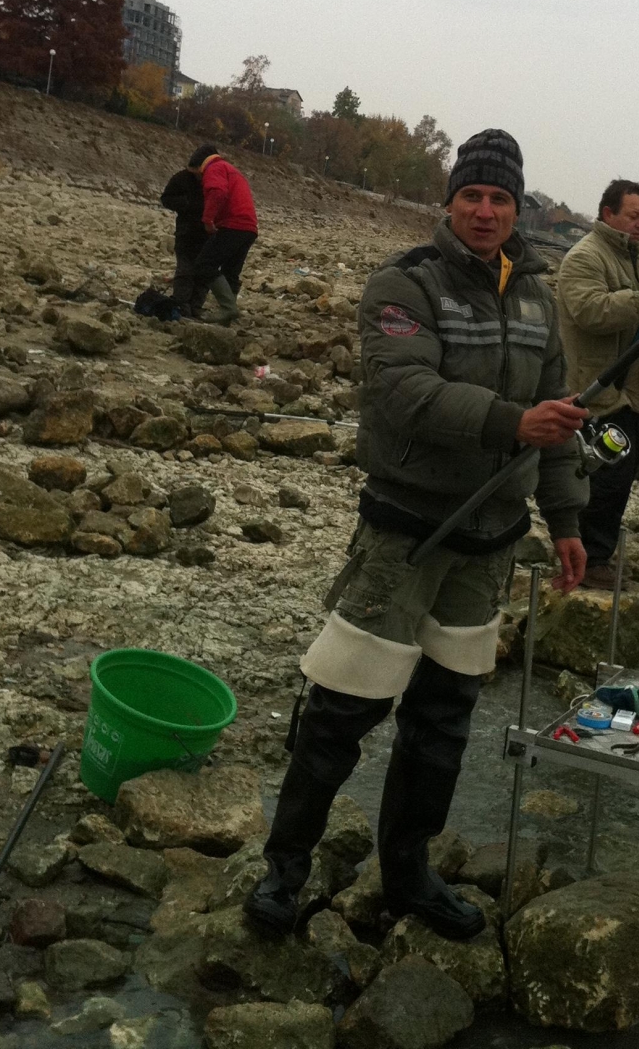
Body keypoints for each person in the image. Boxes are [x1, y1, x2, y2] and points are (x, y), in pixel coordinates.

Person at [245, 129, 588, 943]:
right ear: (450, 201)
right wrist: (512, 422)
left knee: (443, 719)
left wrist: (567, 520)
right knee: (342, 706)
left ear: (517, 210)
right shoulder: (404, 284)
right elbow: (403, 391)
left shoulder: (539, 301)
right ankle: (285, 868)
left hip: (490, 542)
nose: (484, 211)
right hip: (407, 533)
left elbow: (560, 420)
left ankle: (407, 872)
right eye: (471, 195)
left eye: (499, 198)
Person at [557, 178, 639, 589]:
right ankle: (589, 561)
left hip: (637, 389)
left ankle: (596, 555)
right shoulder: (584, 256)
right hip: (599, 390)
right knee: (602, 478)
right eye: (632, 215)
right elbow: (589, 310)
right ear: (608, 214)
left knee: (621, 478)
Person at [159, 144, 237, 320]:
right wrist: (187, 204)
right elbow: (166, 199)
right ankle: (181, 306)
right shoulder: (181, 178)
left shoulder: (216, 178)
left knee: (203, 274)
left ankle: (196, 307)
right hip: (187, 232)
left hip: (208, 235)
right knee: (185, 271)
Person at [188, 148, 258, 321]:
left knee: (205, 265)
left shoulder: (214, 168)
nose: (198, 178)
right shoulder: (231, 169)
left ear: (199, 166)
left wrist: (208, 220)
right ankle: (227, 317)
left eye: (195, 174)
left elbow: (217, 191)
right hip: (249, 227)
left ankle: (228, 309)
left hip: (232, 225)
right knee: (231, 271)